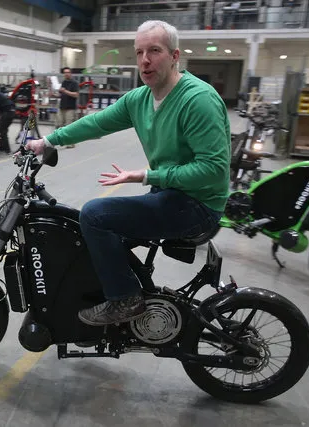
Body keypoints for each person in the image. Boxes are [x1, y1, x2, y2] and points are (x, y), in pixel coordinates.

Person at [26, 20, 230, 326]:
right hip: (169, 195)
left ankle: (125, 300)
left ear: (175, 56)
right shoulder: (141, 99)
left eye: (154, 51)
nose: (145, 60)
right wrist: (48, 141)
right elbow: (95, 124)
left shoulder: (197, 100)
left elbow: (213, 171)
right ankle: (123, 300)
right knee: (93, 237)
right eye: (139, 52)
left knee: (95, 215)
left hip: (198, 204)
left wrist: (147, 176)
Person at [58, 67, 79, 148]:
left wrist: (65, 91)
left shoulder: (74, 83)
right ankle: (64, 140)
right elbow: (62, 94)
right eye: (65, 72)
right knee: (60, 124)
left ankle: (71, 142)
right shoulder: (64, 82)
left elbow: (76, 94)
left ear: (70, 73)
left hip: (70, 108)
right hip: (62, 107)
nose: (66, 74)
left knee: (69, 126)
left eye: (68, 72)